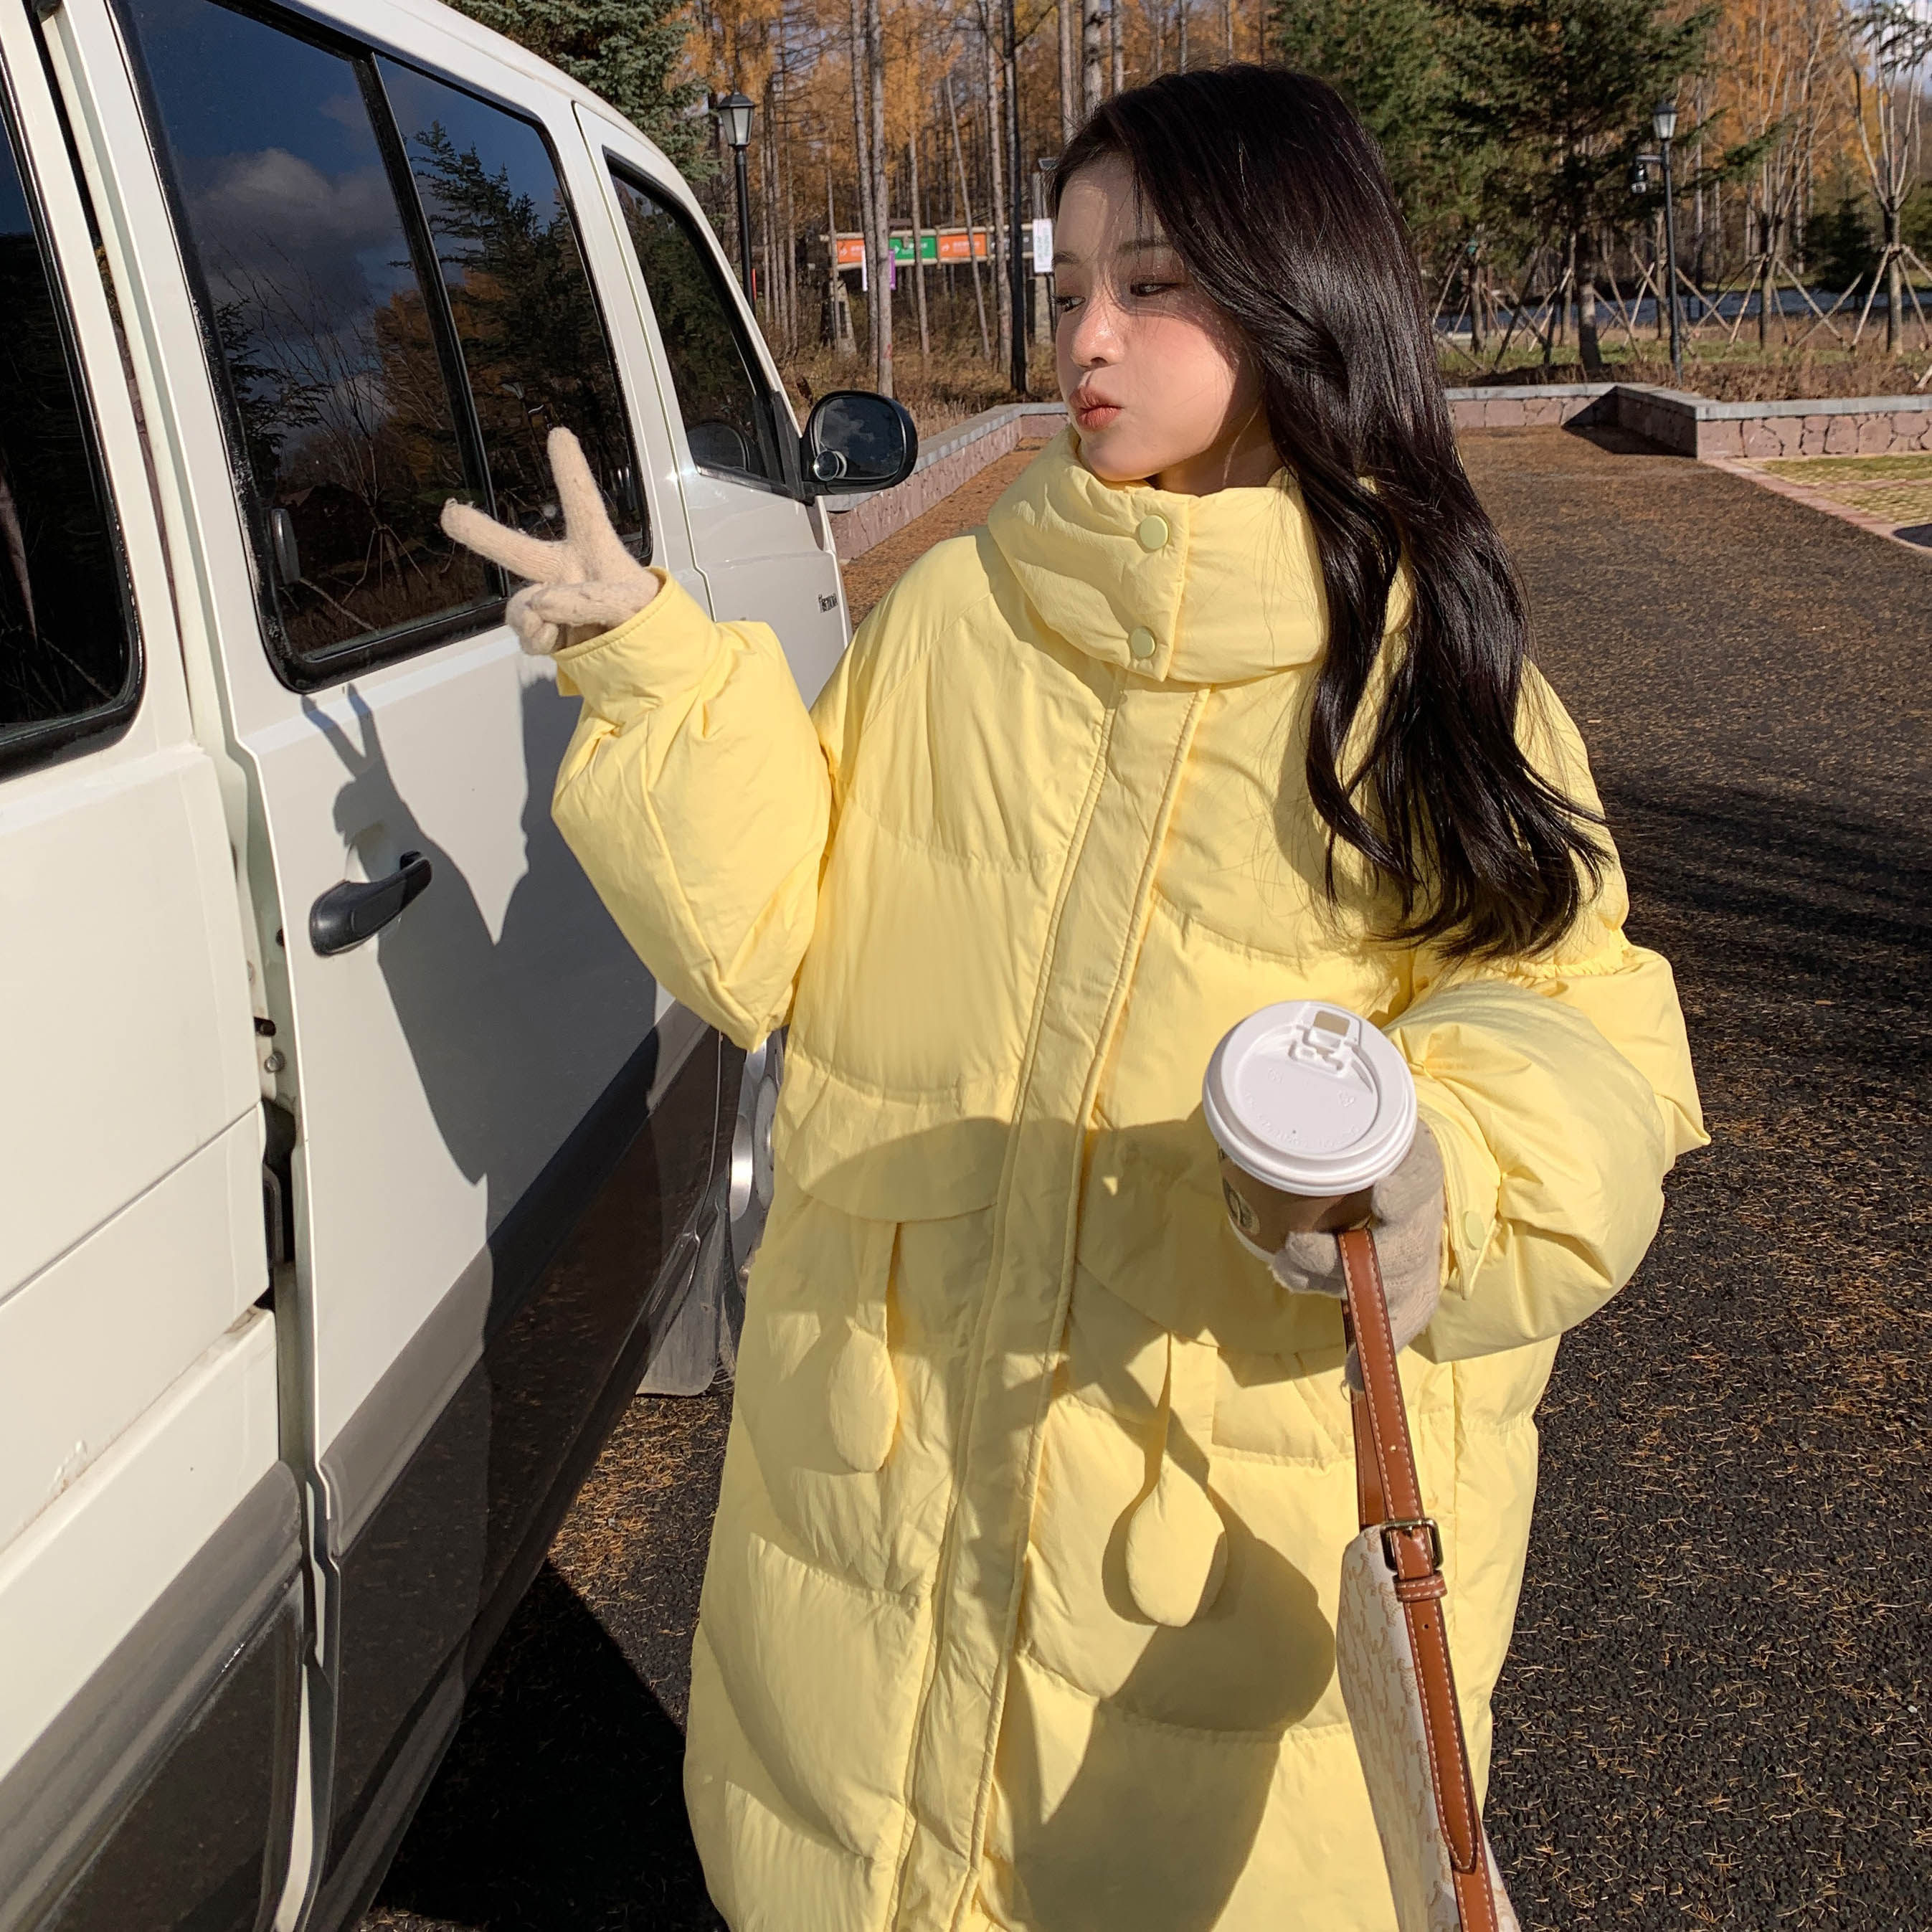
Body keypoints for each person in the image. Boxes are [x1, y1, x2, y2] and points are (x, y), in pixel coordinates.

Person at [443, 64, 1704, 1932]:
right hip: (869, 1577)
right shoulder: (960, 619)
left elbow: (1577, 1021)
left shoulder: (1423, 670)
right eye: (1064, 290)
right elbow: (776, 933)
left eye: (1155, 283)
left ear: (1297, 296)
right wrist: (652, 674)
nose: (1086, 339)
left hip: (1209, 1607)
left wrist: (1453, 1168)